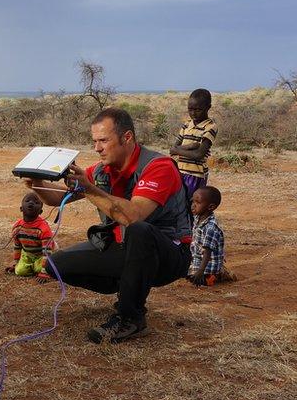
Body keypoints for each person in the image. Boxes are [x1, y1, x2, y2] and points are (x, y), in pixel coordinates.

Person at [26, 108, 192, 344]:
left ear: (127, 138)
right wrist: (37, 182)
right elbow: (57, 198)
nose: (97, 148)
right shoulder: (101, 170)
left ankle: (130, 317)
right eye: (94, 141)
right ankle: (129, 284)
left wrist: (89, 189)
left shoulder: (158, 166)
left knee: (139, 229)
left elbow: (135, 216)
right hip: (125, 249)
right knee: (54, 264)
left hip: (169, 254)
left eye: (104, 140)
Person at [170, 89, 217, 200]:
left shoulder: (210, 126)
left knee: (194, 206)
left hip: (195, 175)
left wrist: (178, 150)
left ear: (208, 107)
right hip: (180, 172)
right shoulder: (187, 125)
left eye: (198, 110)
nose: (193, 113)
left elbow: (199, 154)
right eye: (190, 110)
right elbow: (173, 149)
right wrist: (191, 146)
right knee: (179, 205)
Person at [187, 186, 235, 286]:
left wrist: (200, 271)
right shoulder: (197, 218)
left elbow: (207, 252)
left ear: (211, 207)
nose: (193, 205)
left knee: (199, 281)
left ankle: (219, 275)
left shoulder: (210, 228)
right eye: (193, 201)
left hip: (207, 267)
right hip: (197, 261)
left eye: (197, 203)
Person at [5, 192, 54, 280]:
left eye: (36, 202)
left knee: (41, 268)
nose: (31, 203)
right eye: (27, 201)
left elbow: (47, 252)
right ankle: (32, 266)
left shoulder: (43, 228)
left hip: (41, 254)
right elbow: (17, 246)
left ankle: (43, 265)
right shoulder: (17, 227)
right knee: (20, 271)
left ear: (40, 211)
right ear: (21, 209)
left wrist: (44, 272)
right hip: (27, 254)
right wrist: (16, 263)